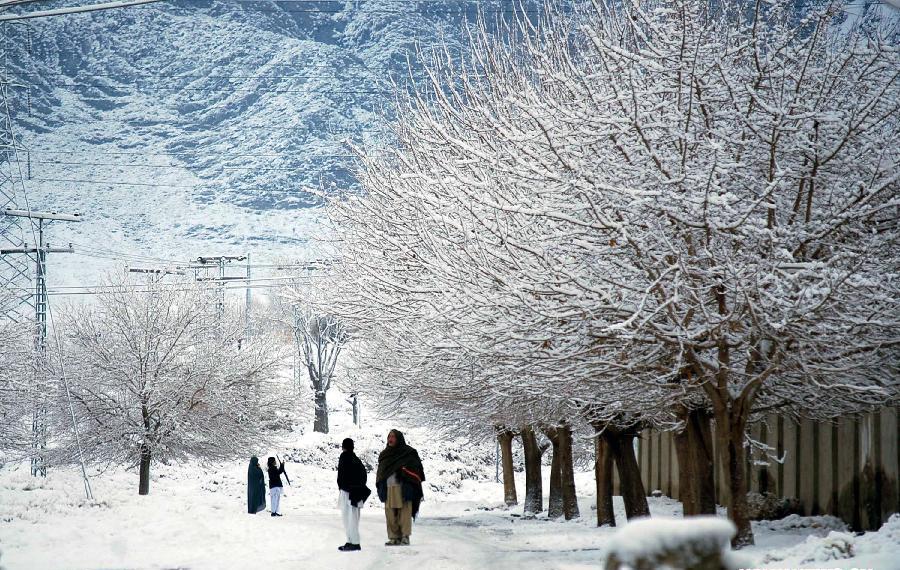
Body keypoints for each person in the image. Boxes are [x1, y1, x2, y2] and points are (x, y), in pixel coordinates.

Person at [376, 429, 425, 546]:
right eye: (389, 437)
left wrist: (404, 472)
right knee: (390, 514)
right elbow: (381, 472)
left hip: (404, 488)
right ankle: (394, 538)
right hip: (388, 488)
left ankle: (405, 537)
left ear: (399, 439)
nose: (390, 439)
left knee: (404, 513)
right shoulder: (384, 455)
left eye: (393, 437)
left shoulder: (408, 453)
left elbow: (416, 470)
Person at [337, 437, 369, 552]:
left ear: (343, 447)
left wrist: (342, 487)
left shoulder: (344, 457)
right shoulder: (356, 459)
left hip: (347, 493)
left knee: (348, 518)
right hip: (357, 493)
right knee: (353, 518)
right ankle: (351, 541)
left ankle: (354, 542)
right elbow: (363, 475)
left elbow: (341, 475)